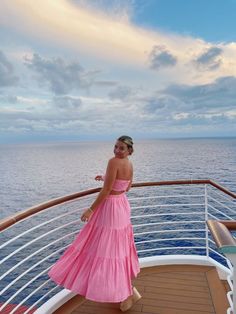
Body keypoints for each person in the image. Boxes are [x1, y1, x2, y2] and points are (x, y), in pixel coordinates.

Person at [48, 135, 141, 312]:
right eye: (115, 147)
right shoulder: (129, 164)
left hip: (111, 208)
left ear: (129, 150)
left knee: (107, 250)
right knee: (119, 250)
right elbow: (127, 187)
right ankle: (126, 291)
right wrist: (107, 177)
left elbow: (106, 191)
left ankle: (126, 293)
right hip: (122, 206)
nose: (116, 150)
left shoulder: (113, 162)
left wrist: (91, 209)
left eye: (121, 148)